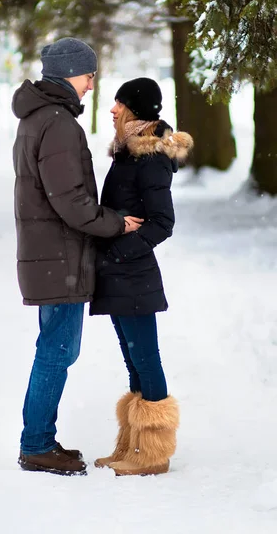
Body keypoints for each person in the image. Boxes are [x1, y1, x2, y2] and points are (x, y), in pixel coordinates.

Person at [12, 38, 143, 476]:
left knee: (54, 348)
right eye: (89, 75)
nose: (91, 85)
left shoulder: (40, 119)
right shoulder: (58, 123)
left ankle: (39, 441)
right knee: (57, 351)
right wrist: (115, 223)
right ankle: (36, 445)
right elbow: (69, 198)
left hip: (50, 254)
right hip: (59, 257)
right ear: (71, 73)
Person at [90, 77, 193, 476]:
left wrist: (117, 251)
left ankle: (153, 454)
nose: (113, 110)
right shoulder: (128, 153)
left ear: (137, 111)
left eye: (120, 104)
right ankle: (133, 446)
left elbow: (162, 222)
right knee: (134, 358)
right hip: (121, 273)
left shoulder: (149, 158)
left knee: (145, 358)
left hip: (132, 273)